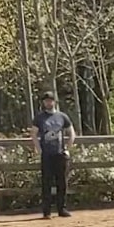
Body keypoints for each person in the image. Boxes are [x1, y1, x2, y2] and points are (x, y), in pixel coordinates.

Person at [31, 89, 75, 219]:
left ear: (54, 102)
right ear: (43, 103)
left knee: (62, 182)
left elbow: (71, 132)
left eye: (50, 100)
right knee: (47, 183)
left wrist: (68, 147)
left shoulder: (62, 117)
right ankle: (47, 211)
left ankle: (62, 209)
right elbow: (33, 133)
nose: (48, 103)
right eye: (46, 101)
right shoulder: (39, 118)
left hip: (60, 154)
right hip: (47, 155)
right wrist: (38, 148)